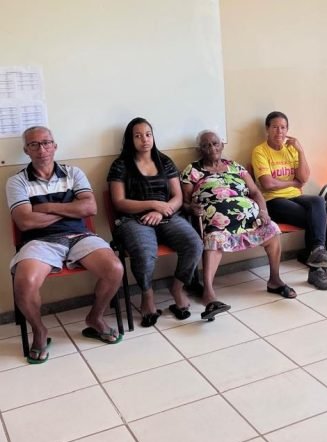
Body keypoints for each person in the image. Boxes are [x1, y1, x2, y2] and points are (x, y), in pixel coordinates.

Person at [8, 126, 125, 364]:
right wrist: (71, 209)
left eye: (46, 142)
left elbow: (90, 208)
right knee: (24, 282)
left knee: (115, 269)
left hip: (80, 235)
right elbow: (25, 221)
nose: (42, 149)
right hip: (40, 241)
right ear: (26, 150)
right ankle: (39, 330)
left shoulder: (73, 173)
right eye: (34, 144)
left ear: (55, 146)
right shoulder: (16, 181)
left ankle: (95, 317)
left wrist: (47, 207)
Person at [107, 117, 214, 327]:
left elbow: (177, 197)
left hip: (166, 215)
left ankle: (177, 288)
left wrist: (161, 211)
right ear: (130, 140)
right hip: (133, 220)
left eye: (148, 134)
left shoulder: (164, 161)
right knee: (145, 253)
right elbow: (119, 202)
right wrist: (154, 204)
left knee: (194, 244)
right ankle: (147, 295)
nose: (144, 140)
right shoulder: (120, 165)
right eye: (138, 136)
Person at [182, 130, 296, 302]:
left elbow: (255, 192)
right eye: (206, 145)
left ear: (222, 145)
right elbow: (184, 202)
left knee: (271, 229)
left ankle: (274, 280)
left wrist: (263, 212)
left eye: (215, 143)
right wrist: (191, 208)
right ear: (200, 150)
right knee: (214, 238)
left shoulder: (235, 166)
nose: (212, 148)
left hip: (250, 217)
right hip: (217, 221)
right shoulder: (192, 170)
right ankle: (208, 291)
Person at [252, 111, 327, 290]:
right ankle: (317, 270)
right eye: (275, 127)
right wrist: (293, 182)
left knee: (318, 202)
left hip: (296, 196)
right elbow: (268, 184)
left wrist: (300, 150)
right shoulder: (260, 151)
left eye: (283, 128)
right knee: (319, 219)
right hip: (273, 201)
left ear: (287, 129)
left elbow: (304, 178)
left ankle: (317, 253)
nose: (279, 132)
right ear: (267, 129)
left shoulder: (291, 149)